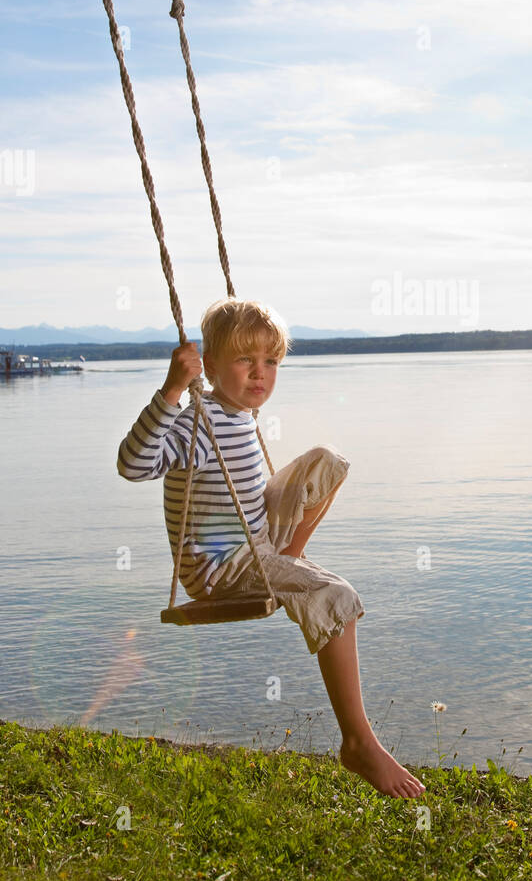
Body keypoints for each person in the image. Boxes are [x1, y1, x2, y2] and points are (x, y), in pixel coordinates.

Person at [117, 297, 425, 799]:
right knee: (336, 597)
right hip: (221, 566)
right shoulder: (196, 425)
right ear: (209, 366)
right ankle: (358, 741)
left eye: (270, 362)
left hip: (258, 540)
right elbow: (132, 464)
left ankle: (290, 561)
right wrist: (172, 390)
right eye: (244, 361)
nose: (259, 374)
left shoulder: (244, 416)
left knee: (328, 462)